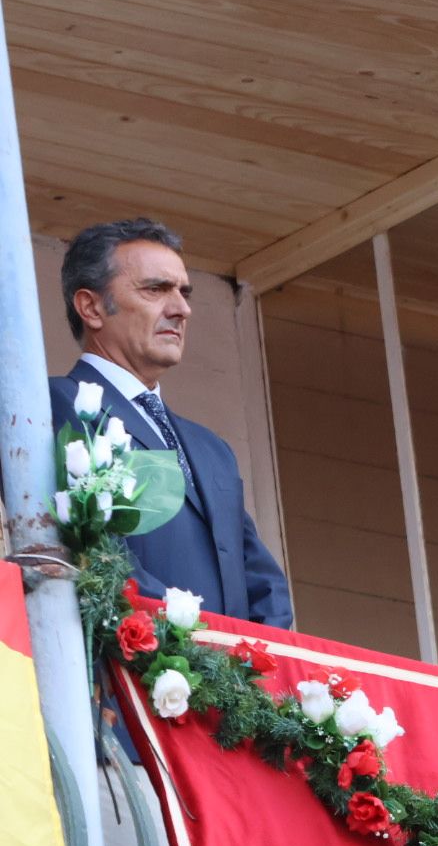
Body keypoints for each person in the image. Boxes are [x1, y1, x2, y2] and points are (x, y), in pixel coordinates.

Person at [49, 218, 292, 628]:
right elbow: (96, 556)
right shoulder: (52, 404)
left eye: (183, 292)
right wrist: (192, 641)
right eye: (156, 289)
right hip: (126, 678)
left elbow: (260, 581)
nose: (181, 309)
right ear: (90, 307)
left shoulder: (211, 448)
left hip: (221, 684)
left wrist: (250, 673)